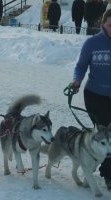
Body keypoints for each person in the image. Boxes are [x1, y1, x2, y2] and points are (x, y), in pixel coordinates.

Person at [71, 9, 111, 191]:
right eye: (110, 25)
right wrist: (77, 80)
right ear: (103, 24)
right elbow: (81, 66)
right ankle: (109, 175)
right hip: (95, 96)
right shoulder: (92, 43)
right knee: (105, 135)